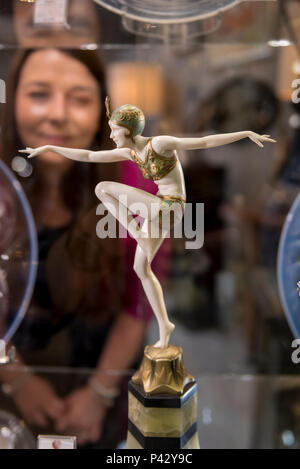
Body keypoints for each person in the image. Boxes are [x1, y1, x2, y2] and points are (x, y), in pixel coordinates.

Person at [23, 100, 276, 348]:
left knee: (103, 188)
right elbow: (90, 155)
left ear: (131, 130)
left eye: (115, 130)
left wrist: (246, 133)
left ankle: (135, 232)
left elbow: (203, 141)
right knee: (141, 268)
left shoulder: (160, 144)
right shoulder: (130, 152)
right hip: (158, 209)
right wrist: (49, 148)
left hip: (171, 206)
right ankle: (165, 324)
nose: (111, 135)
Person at [0, 48, 153, 447]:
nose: (57, 114)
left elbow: (139, 304)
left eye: (80, 99)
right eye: (38, 94)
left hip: (103, 381)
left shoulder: (136, 187)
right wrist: (16, 380)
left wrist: (99, 395)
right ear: (12, 98)